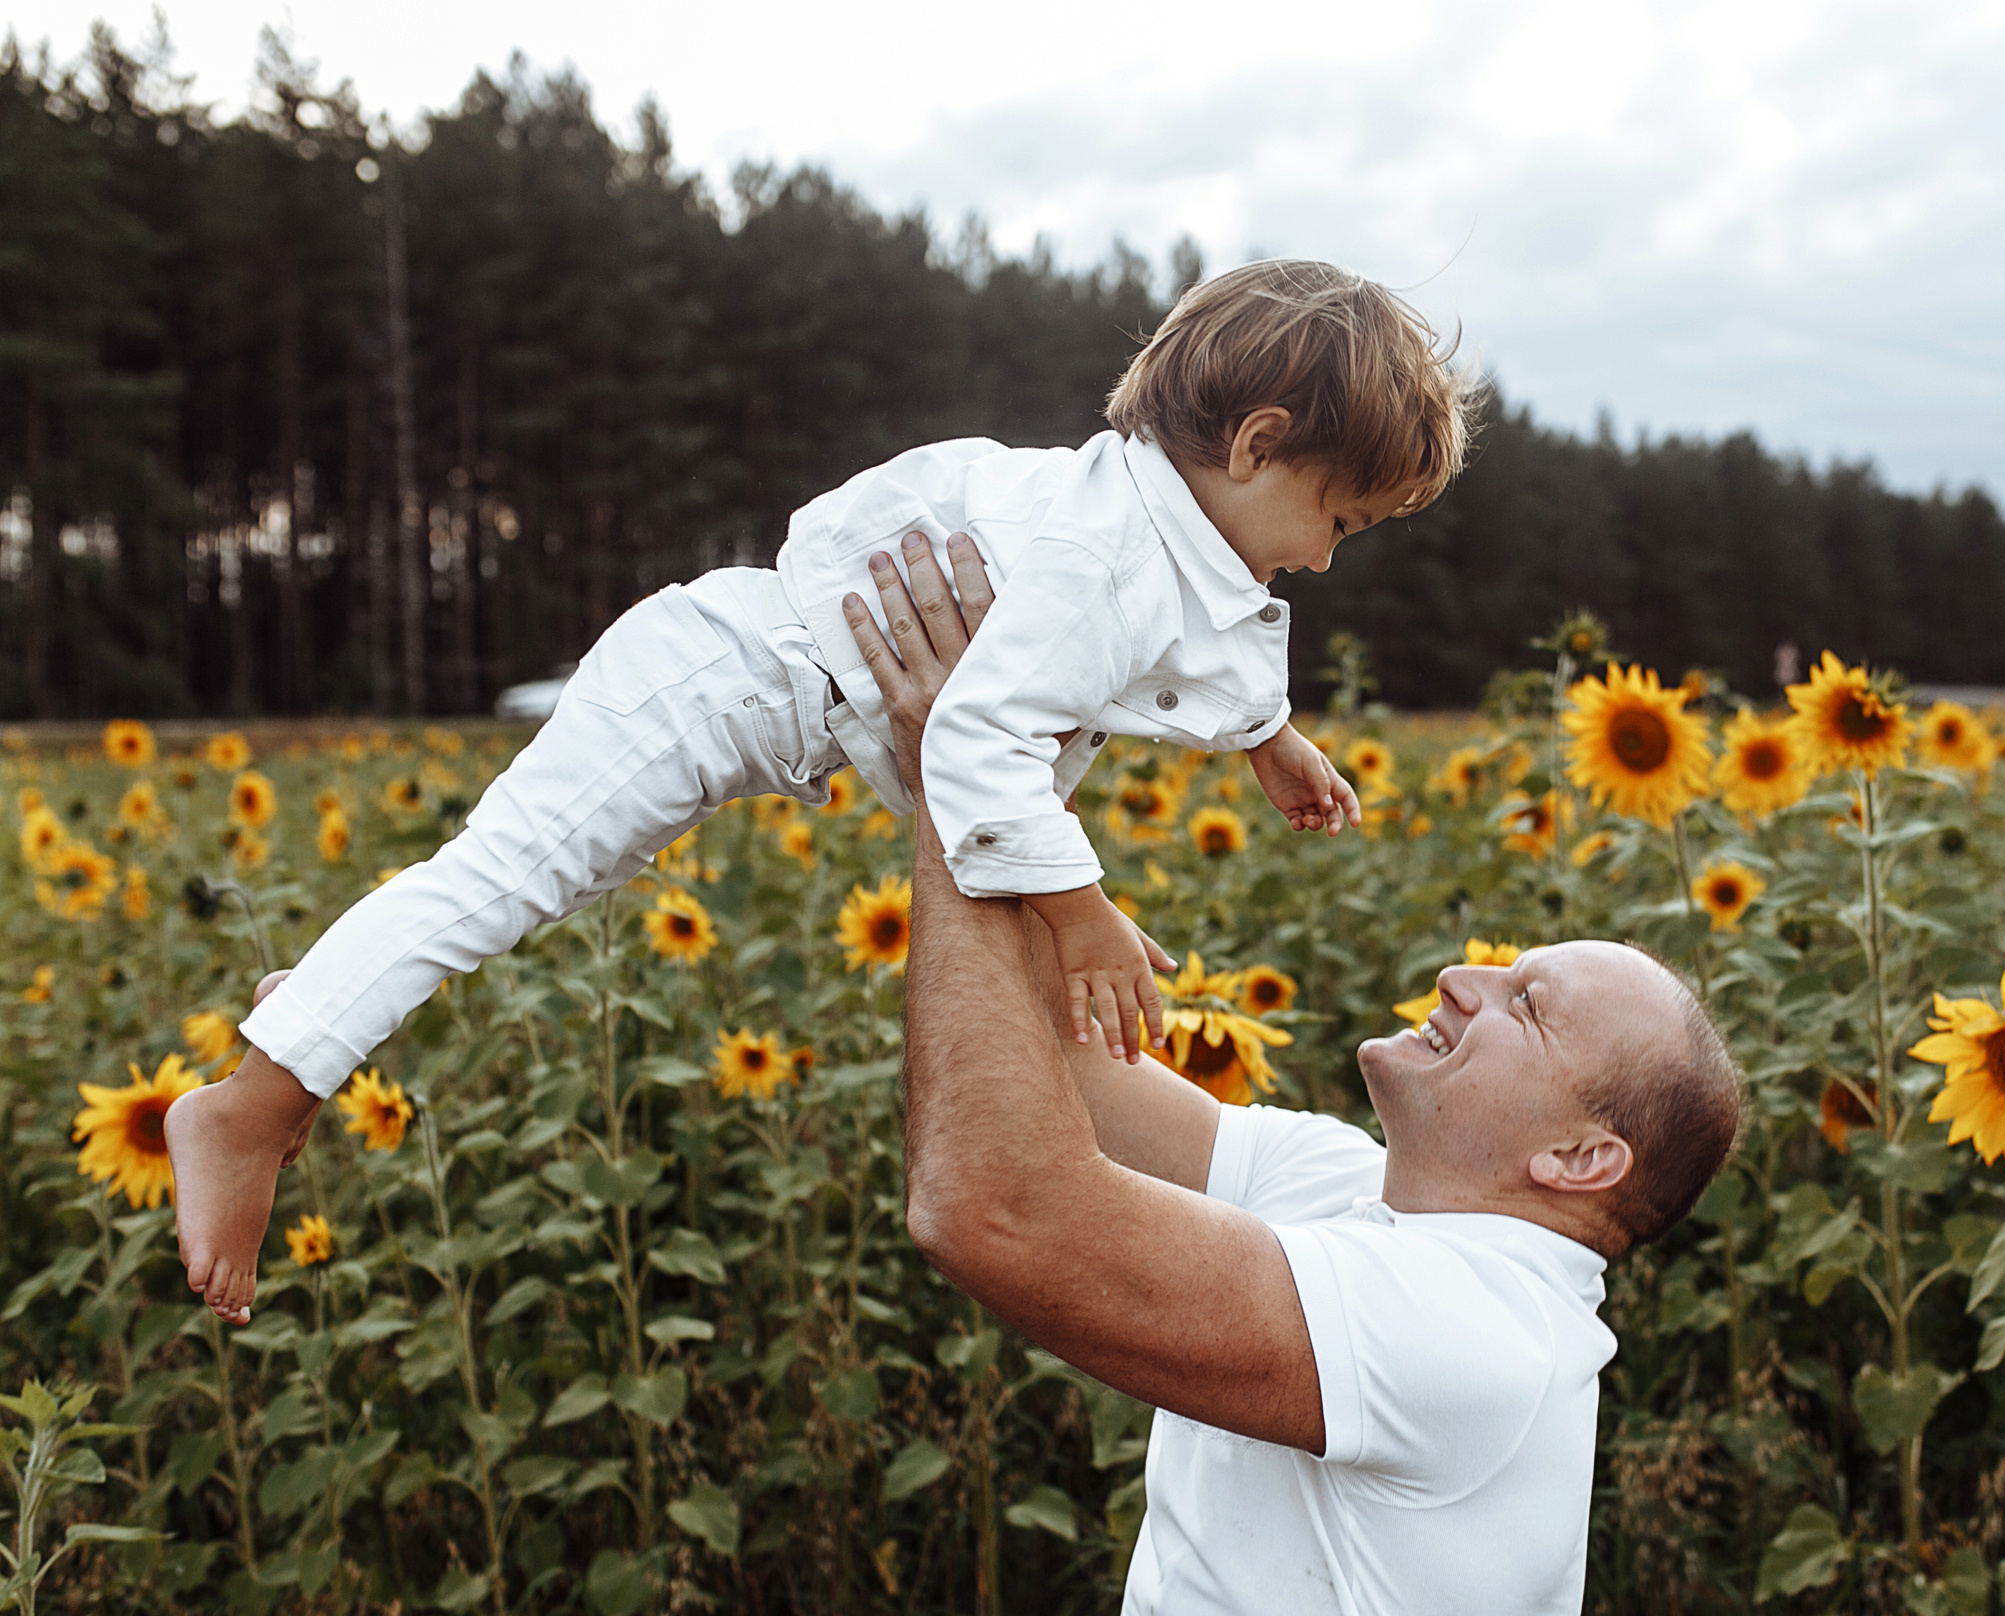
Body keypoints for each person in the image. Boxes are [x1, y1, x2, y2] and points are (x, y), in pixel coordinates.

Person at [165, 259, 1475, 1325]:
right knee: (506, 874)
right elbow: (972, 744)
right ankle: (251, 1101)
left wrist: (1270, 738)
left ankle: (333, 999)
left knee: (516, 882)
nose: (1329, 557)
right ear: (1256, 443)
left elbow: (1217, 635)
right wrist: (1081, 912)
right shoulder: (1097, 554)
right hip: (723, 677)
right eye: (1343, 519)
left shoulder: (1163, 539)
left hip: (766, 705)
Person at [856, 536, 1746, 1616]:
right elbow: (1059, 1072)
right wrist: (1014, 754)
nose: (1458, 980)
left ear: (1578, 1158)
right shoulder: (1357, 1191)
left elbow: (994, 1205)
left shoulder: (1474, 1336)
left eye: (1523, 1004)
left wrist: (955, 793)